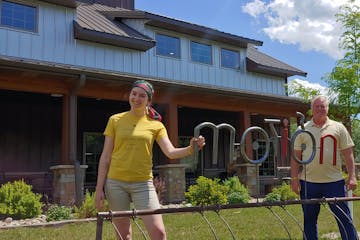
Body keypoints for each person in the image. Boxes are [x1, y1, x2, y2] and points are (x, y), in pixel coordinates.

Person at [95, 80, 206, 240]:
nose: (136, 98)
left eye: (142, 96)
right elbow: (105, 157)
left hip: (143, 184)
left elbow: (170, 152)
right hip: (115, 183)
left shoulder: (156, 126)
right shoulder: (115, 120)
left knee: (159, 233)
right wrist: (99, 189)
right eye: (134, 94)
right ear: (129, 96)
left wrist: (190, 148)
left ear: (149, 101)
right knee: (123, 236)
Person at [290, 95, 358, 240]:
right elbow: (295, 157)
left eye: (323, 106)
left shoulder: (338, 127)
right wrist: (294, 179)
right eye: (317, 106)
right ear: (311, 109)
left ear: (327, 109)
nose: (320, 109)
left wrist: (352, 176)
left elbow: (348, 154)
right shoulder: (302, 129)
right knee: (309, 220)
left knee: (344, 218)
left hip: (335, 182)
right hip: (309, 182)